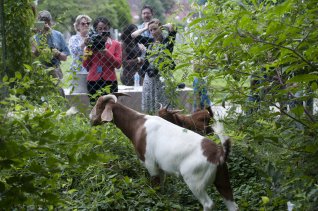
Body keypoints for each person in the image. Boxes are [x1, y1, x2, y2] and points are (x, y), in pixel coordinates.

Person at [139, 19, 177, 114]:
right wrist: (145, 28)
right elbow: (133, 36)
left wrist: (162, 25)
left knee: (165, 102)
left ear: (160, 28)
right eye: (150, 30)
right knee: (150, 104)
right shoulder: (149, 41)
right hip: (150, 76)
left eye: (155, 29)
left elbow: (172, 28)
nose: (152, 32)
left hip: (164, 75)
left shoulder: (167, 40)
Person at [83, 17, 122, 103]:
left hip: (110, 81)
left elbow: (118, 65)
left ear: (109, 30)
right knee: (95, 109)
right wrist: (88, 48)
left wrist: (105, 52)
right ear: (95, 30)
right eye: (100, 29)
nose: (102, 31)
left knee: (110, 108)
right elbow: (85, 65)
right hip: (93, 81)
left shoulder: (115, 44)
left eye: (105, 28)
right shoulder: (91, 44)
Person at [32, 10, 70, 97]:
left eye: (47, 21)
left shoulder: (58, 35)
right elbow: (33, 56)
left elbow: (65, 57)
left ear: (50, 22)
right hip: (40, 69)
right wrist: (40, 36)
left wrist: (58, 53)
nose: (45, 24)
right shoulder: (34, 36)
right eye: (42, 21)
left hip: (55, 68)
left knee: (58, 93)